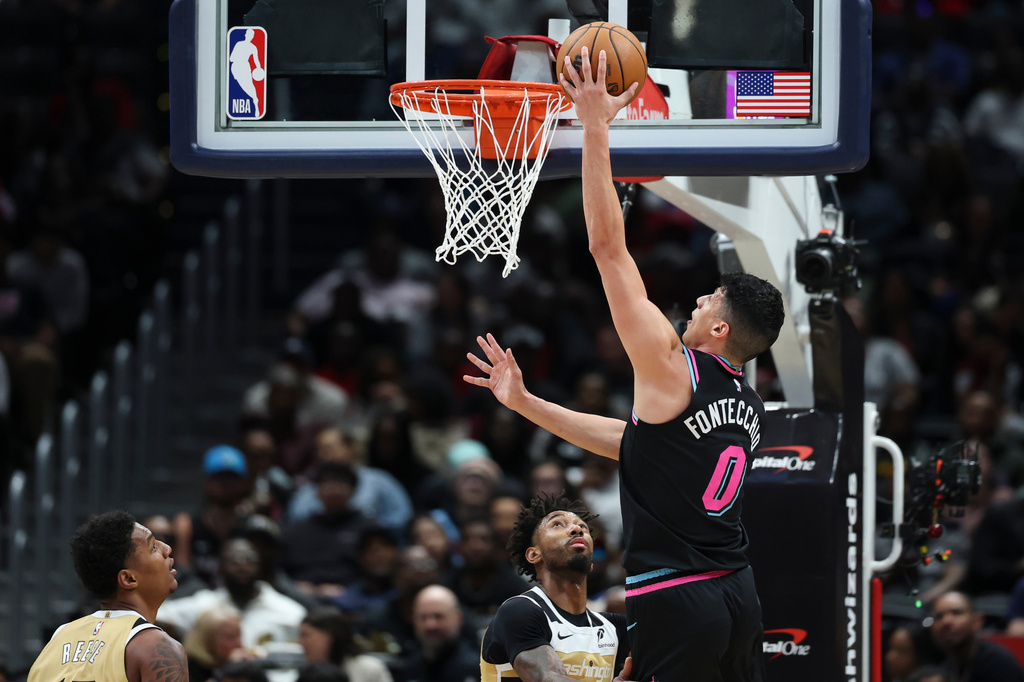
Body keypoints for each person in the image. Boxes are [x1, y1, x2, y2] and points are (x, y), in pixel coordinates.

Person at [465, 47, 785, 682]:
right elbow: (632, 443)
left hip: (678, 593)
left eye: (709, 300)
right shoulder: (749, 406)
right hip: (738, 592)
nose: (697, 302)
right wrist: (525, 403)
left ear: (721, 329)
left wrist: (594, 125)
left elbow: (608, 248)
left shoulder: (673, 364)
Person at [480, 495, 632, 681]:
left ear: (591, 562)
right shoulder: (519, 611)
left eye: (583, 527)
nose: (577, 529)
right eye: (558, 524)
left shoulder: (614, 627)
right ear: (534, 554)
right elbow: (549, 678)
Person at [27, 511, 187, 682]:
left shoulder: (58, 639)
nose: (167, 549)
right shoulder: (158, 648)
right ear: (128, 579)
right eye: (153, 547)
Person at [157, 537, 307, 649]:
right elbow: (158, 614)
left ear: (261, 565)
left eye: (250, 560)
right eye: (234, 561)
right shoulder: (205, 605)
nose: (243, 566)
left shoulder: (289, 612)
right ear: (220, 568)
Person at [930, 590, 1024, 682]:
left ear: (977, 621)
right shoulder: (945, 670)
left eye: (957, 613)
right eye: (939, 616)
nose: (946, 621)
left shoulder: (999, 665)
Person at [299, 607, 393, 682]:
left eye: (305, 635)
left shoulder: (369, 668)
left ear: (328, 636)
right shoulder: (307, 672)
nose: (301, 642)